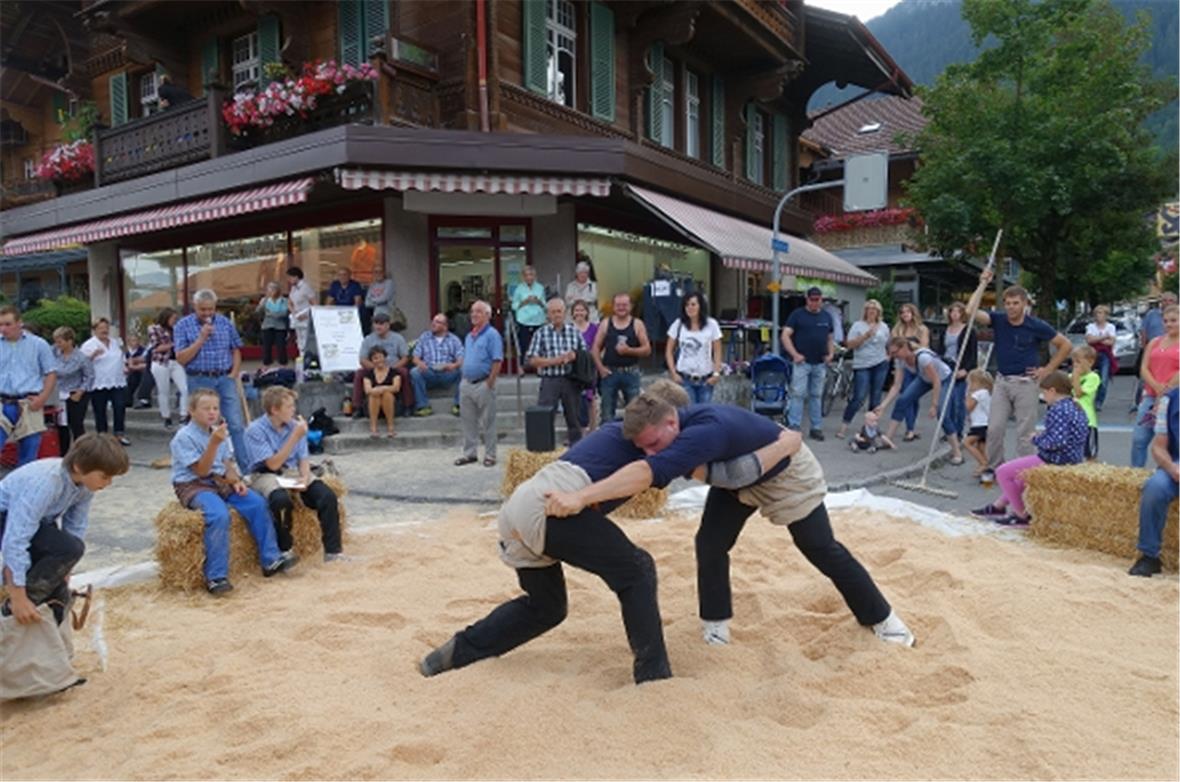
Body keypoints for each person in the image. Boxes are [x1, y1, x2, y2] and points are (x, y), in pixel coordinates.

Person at [418, 380, 803, 684]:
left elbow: (708, 472)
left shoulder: (627, 431)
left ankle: (453, 654)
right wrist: (786, 443)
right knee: (637, 570)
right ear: (671, 418)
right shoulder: (655, 441)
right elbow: (676, 473)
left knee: (547, 607)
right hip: (552, 504)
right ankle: (653, 677)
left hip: (519, 506)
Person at [544, 390, 917, 649]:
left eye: (654, 443)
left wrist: (580, 497)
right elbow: (729, 476)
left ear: (672, 422)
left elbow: (734, 475)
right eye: (642, 445)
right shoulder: (675, 433)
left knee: (820, 548)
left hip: (786, 474)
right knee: (710, 543)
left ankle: (885, 621)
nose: (648, 451)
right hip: (739, 473)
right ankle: (716, 625)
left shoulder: (702, 434)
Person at [170, 389, 297, 595]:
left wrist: (236, 480)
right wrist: (214, 443)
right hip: (194, 484)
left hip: (220, 480)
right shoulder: (183, 438)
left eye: (215, 408)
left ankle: (271, 559)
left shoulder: (219, 430)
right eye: (206, 408)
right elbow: (201, 471)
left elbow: (227, 462)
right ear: (191, 411)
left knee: (256, 503)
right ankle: (216, 576)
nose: (212, 412)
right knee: (219, 515)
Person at [0, 434, 129, 625]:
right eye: (105, 476)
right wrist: (18, 595)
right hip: (6, 516)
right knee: (68, 549)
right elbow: (15, 538)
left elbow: (75, 526)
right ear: (79, 467)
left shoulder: (85, 485)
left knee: (61, 586)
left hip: (39, 521)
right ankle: (11, 610)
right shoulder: (46, 483)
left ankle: (48, 631)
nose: (108, 483)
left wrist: (64, 569)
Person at [972, 269, 1072, 484]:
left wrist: (1048, 369)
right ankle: (994, 467)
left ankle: (1024, 472)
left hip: (1026, 384)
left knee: (1025, 432)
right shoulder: (999, 320)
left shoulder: (1036, 325)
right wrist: (982, 284)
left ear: (1025, 303)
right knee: (995, 427)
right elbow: (970, 312)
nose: (1010, 307)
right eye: (1007, 303)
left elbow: (1065, 345)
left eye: (1015, 303)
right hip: (1002, 381)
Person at [971, 370, 1088, 526]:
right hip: (1072, 457)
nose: (1043, 397)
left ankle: (1021, 515)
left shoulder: (1057, 410)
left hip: (1056, 459)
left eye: (1044, 393)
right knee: (1021, 477)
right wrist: (1046, 435)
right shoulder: (1075, 407)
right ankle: (997, 507)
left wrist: (1037, 439)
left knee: (1003, 472)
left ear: (1053, 391)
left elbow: (1057, 442)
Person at [243, 386, 343, 562]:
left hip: (291, 470)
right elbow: (273, 464)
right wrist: (295, 437)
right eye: (289, 407)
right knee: (280, 500)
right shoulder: (255, 430)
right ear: (275, 410)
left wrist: (304, 478)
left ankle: (333, 551)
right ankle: (285, 549)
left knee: (326, 496)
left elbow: (303, 458)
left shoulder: (295, 426)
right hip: (266, 474)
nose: (294, 410)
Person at [173, 289, 249, 468]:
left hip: (224, 378)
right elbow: (181, 358)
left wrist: (234, 373)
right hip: (199, 379)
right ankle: (210, 468)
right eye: (202, 310)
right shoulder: (182, 326)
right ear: (195, 307)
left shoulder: (225, 323)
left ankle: (247, 468)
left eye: (210, 309)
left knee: (236, 424)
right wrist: (201, 338)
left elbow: (236, 349)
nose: (207, 313)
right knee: (204, 425)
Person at [874, 337, 964, 465]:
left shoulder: (923, 358)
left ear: (904, 347)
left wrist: (934, 404)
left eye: (895, 352)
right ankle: (888, 438)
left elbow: (936, 381)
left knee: (941, 412)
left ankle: (957, 452)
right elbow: (896, 385)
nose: (893, 356)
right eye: (891, 354)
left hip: (944, 379)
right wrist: (883, 405)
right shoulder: (900, 361)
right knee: (903, 400)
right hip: (924, 378)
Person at [1128, 387, 1179, 578]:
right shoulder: (1170, 400)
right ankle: (1149, 556)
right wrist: (1172, 468)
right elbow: (1158, 447)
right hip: (1175, 463)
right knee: (1154, 488)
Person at [0, 305, 56, 467]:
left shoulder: (38, 344)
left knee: (29, 453)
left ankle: (23, 488)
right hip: (2, 401)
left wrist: (43, 398)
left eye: (8, 324)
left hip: (29, 403)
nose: (3, 329)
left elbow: (51, 373)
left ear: (19, 323)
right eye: (0, 324)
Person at [527, 298, 585, 446]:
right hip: (549, 380)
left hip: (570, 379)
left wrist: (575, 356)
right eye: (553, 312)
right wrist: (556, 360)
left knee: (574, 419)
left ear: (565, 313)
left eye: (559, 311)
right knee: (544, 418)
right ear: (548, 315)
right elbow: (532, 360)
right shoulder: (541, 333)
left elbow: (586, 355)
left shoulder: (574, 332)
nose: (557, 315)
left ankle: (576, 449)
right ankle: (544, 450)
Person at [781, 286, 835, 440]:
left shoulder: (826, 316)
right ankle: (794, 426)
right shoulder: (797, 315)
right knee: (798, 394)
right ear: (807, 299)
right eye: (812, 300)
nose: (814, 303)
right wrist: (795, 354)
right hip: (802, 362)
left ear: (821, 300)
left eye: (817, 300)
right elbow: (785, 335)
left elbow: (830, 338)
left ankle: (816, 427)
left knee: (816, 395)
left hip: (819, 362)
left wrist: (831, 354)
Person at [455, 300, 502, 467]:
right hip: (467, 383)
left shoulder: (492, 335)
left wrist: (490, 382)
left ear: (487, 315)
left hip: (483, 383)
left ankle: (490, 455)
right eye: (472, 311)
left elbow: (497, 360)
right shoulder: (469, 336)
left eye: (479, 312)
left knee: (488, 421)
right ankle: (470, 453)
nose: (474, 315)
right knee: (468, 421)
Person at [1131, 304, 1179, 468]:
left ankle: (1167, 473)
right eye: (1166, 321)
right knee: (1139, 439)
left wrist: (1166, 389)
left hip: (1174, 399)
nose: (1169, 324)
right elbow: (1144, 367)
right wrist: (1156, 386)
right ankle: (1135, 473)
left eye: (1173, 320)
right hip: (1151, 396)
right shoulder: (1155, 342)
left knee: (1171, 441)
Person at [836, 299, 891, 439]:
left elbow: (889, 343)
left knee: (876, 398)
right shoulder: (857, 325)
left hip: (880, 364)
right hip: (862, 364)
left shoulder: (884, 326)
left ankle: (872, 428)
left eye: (874, 308)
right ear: (865, 311)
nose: (872, 311)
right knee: (859, 396)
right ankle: (844, 426)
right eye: (869, 308)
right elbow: (849, 344)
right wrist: (865, 336)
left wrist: (889, 356)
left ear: (879, 311)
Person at [591, 292, 650, 423]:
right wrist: (600, 368)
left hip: (631, 372)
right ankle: (608, 441)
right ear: (613, 306)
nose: (621, 308)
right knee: (606, 414)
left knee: (635, 414)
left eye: (624, 305)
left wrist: (629, 350)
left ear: (631, 306)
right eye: (618, 305)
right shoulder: (606, 323)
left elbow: (647, 349)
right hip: (609, 373)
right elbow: (595, 348)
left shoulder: (637, 324)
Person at [80, 318, 131, 447]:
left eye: (106, 327)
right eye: (101, 328)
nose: (104, 330)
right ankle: (102, 437)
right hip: (99, 382)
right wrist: (93, 355)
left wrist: (125, 366)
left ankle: (119, 433)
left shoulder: (115, 342)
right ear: (94, 330)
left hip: (116, 380)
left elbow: (122, 357)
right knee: (100, 410)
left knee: (119, 407)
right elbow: (81, 364)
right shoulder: (89, 345)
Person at [665, 291, 723, 404]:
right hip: (685, 378)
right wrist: (673, 373)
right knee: (689, 413)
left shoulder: (712, 324)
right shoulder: (678, 324)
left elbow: (717, 350)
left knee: (704, 413)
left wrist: (716, 373)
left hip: (706, 379)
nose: (690, 308)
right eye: (687, 305)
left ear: (700, 306)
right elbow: (669, 350)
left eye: (693, 304)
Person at [351, 312, 411, 420]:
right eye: (376, 323)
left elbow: (405, 357)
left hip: (393, 368)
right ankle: (357, 407)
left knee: (404, 373)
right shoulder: (368, 339)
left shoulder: (398, 338)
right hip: (374, 368)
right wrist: (376, 369)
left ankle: (408, 405)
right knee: (359, 373)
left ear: (388, 325)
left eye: (381, 324)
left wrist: (392, 369)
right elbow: (362, 359)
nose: (378, 326)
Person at [888, 303, 931, 442]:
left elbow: (924, 346)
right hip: (904, 366)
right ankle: (910, 429)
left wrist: (907, 344)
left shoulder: (922, 329)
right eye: (902, 312)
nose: (905, 314)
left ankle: (911, 426)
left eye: (908, 312)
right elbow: (893, 347)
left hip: (919, 365)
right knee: (906, 395)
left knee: (914, 398)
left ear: (913, 313)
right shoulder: (897, 329)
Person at [410, 313, 464, 417]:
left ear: (445, 326)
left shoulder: (454, 339)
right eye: (433, 321)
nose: (433, 324)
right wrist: (420, 363)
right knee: (415, 372)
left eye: (437, 322)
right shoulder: (425, 337)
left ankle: (458, 405)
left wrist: (454, 365)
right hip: (429, 372)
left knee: (463, 370)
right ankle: (423, 406)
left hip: (447, 373)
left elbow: (461, 358)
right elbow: (415, 357)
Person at [51, 327, 93, 455]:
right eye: (56, 342)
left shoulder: (81, 357)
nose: (57, 345)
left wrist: (80, 391)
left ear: (69, 341)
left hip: (75, 394)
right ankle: (63, 453)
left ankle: (82, 453)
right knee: (61, 426)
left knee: (76, 425)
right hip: (59, 394)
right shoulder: (54, 353)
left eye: (60, 342)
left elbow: (90, 376)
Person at [940, 301, 978, 438]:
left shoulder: (968, 330)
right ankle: (950, 431)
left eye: (958, 311)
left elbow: (973, 353)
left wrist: (966, 370)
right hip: (946, 366)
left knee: (958, 401)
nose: (955, 314)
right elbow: (941, 349)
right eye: (952, 311)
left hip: (960, 367)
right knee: (946, 402)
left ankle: (958, 431)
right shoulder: (946, 329)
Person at [148, 308, 188, 431]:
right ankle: (166, 417)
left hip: (176, 362)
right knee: (163, 390)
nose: (175, 321)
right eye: (173, 319)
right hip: (161, 362)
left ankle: (184, 415)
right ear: (166, 318)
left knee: (185, 388)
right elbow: (156, 348)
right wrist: (174, 344)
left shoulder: (177, 329)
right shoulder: (154, 329)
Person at [510, 265, 546, 364]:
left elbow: (545, 305)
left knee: (539, 344)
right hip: (524, 320)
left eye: (531, 275)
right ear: (523, 277)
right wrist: (524, 302)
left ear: (535, 276)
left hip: (538, 319)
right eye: (527, 275)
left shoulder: (540, 288)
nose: (529, 277)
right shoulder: (519, 288)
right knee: (524, 344)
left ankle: (539, 365)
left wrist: (538, 301)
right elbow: (514, 305)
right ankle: (521, 366)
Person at [1070, 345, 1101, 460]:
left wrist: (1076, 376)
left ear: (1090, 362)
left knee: (1089, 453)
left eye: (1078, 362)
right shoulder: (1071, 377)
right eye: (1073, 362)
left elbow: (1078, 393)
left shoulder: (1093, 377)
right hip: (1072, 420)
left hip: (1087, 421)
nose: (1075, 365)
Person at [1085, 305, 1117, 411]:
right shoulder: (1090, 326)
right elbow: (1089, 340)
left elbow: (1111, 342)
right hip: (1091, 354)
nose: (1098, 315)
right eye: (1097, 313)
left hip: (1105, 355)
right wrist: (1104, 337)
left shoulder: (1111, 327)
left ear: (1106, 315)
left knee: (1103, 380)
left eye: (1101, 313)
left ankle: (1098, 402)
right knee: (1085, 377)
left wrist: (1096, 339)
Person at [363, 346, 400, 438]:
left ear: (385, 357)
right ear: (372, 361)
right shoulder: (368, 374)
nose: (379, 360)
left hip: (392, 405)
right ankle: (373, 428)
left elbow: (396, 387)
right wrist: (376, 390)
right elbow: (368, 390)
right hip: (373, 405)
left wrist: (383, 388)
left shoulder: (394, 372)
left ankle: (391, 427)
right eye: (375, 358)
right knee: (373, 394)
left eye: (380, 357)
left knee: (387, 394)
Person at [962, 369, 993, 477]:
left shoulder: (978, 394)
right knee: (981, 446)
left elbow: (968, 407)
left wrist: (968, 396)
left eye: (970, 383)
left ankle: (984, 463)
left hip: (980, 424)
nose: (968, 385)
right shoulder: (986, 393)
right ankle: (987, 467)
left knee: (967, 443)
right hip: (984, 423)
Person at [256, 281, 289, 369]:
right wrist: (261, 306)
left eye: (272, 289)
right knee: (267, 346)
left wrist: (270, 314)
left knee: (281, 346)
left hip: (280, 326)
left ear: (277, 290)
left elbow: (284, 313)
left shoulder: (283, 300)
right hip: (267, 325)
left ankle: (283, 364)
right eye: (269, 289)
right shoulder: (265, 300)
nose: (270, 291)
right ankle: (266, 364)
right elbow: (258, 311)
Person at [286, 267, 317, 355]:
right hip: (297, 316)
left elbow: (314, 304)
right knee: (299, 339)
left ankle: (307, 358)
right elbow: (290, 302)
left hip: (305, 317)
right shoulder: (293, 288)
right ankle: (301, 357)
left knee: (306, 339)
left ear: (296, 277)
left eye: (290, 277)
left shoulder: (306, 287)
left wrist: (306, 315)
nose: (289, 280)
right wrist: (293, 312)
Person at [123, 334, 148, 408]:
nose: (135, 343)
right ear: (129, 342)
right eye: (133, 341)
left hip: (141, 372)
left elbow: (145, 361)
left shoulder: (143, 350)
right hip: (130, 372)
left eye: (136, 340)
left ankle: (141, 399)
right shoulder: (126, 353)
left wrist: (132, 364)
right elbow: (124, 363)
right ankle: (128, 400)